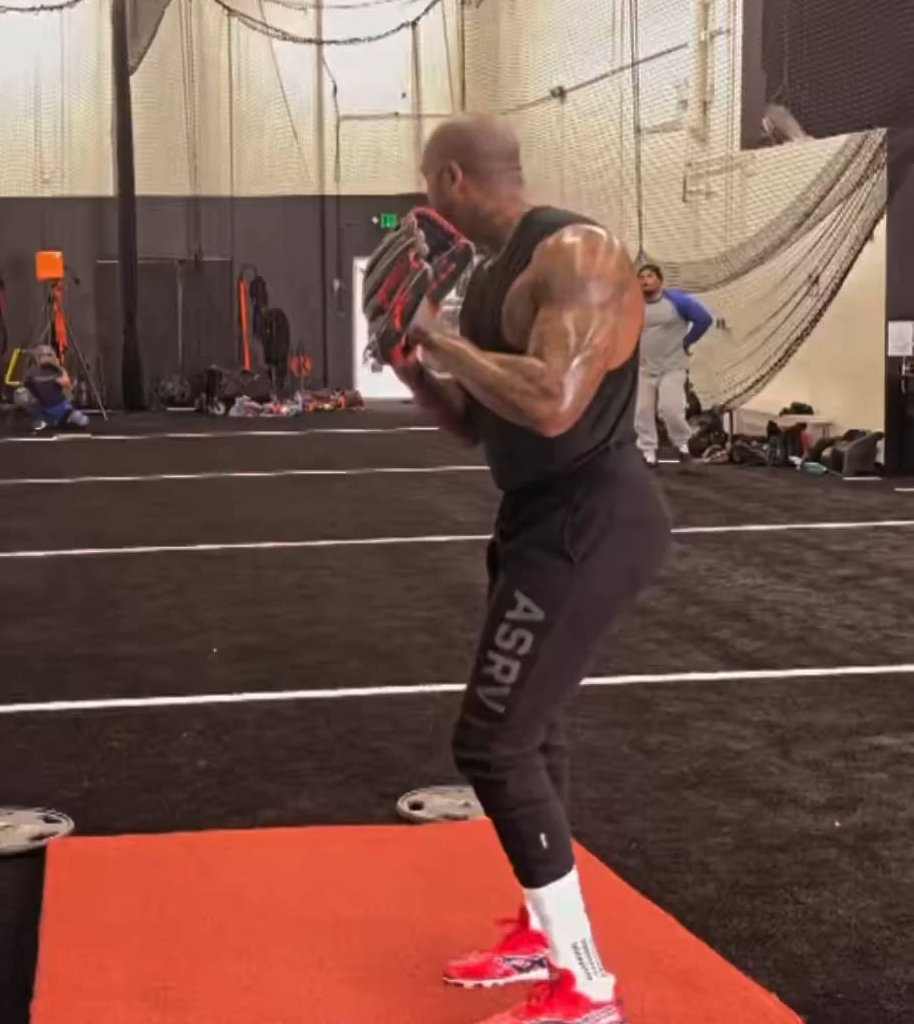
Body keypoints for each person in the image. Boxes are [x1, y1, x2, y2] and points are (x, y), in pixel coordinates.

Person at [378, 113, 672, 1024]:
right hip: (536, 515)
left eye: (431, 186)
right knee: (532, 731)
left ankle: (585, 985)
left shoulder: (577, 255)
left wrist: (440, 336)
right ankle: (544, 934)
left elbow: (550, 403)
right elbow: (481, 421)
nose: (427, 205)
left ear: (455, 179)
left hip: (593, 515)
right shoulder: (491, 275)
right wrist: (413, 362)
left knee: (492, 743)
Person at [634, 262, 712, 466]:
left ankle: (682, 446)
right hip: (645, 369)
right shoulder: (633, 304)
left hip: (672, 367)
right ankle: (648, 451)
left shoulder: (677, 301)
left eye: (650, 276)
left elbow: (704, 319)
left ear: (659, 280)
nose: (645, 280)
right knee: (642, 412)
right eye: (641, 277)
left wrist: (687, 341)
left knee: (671, 409)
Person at [20, 345, 88, 431]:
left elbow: (66, 383)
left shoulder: (57, 370)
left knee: (82, 421)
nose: (45, 357)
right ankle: (45, 420)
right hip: (43, 406)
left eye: (48, 355)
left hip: (61, 407)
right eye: (43, 355)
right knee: (21, 396)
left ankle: (58, 421)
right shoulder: (32, 372)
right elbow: (25, 387)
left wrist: (58, 366)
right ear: (38, 356)